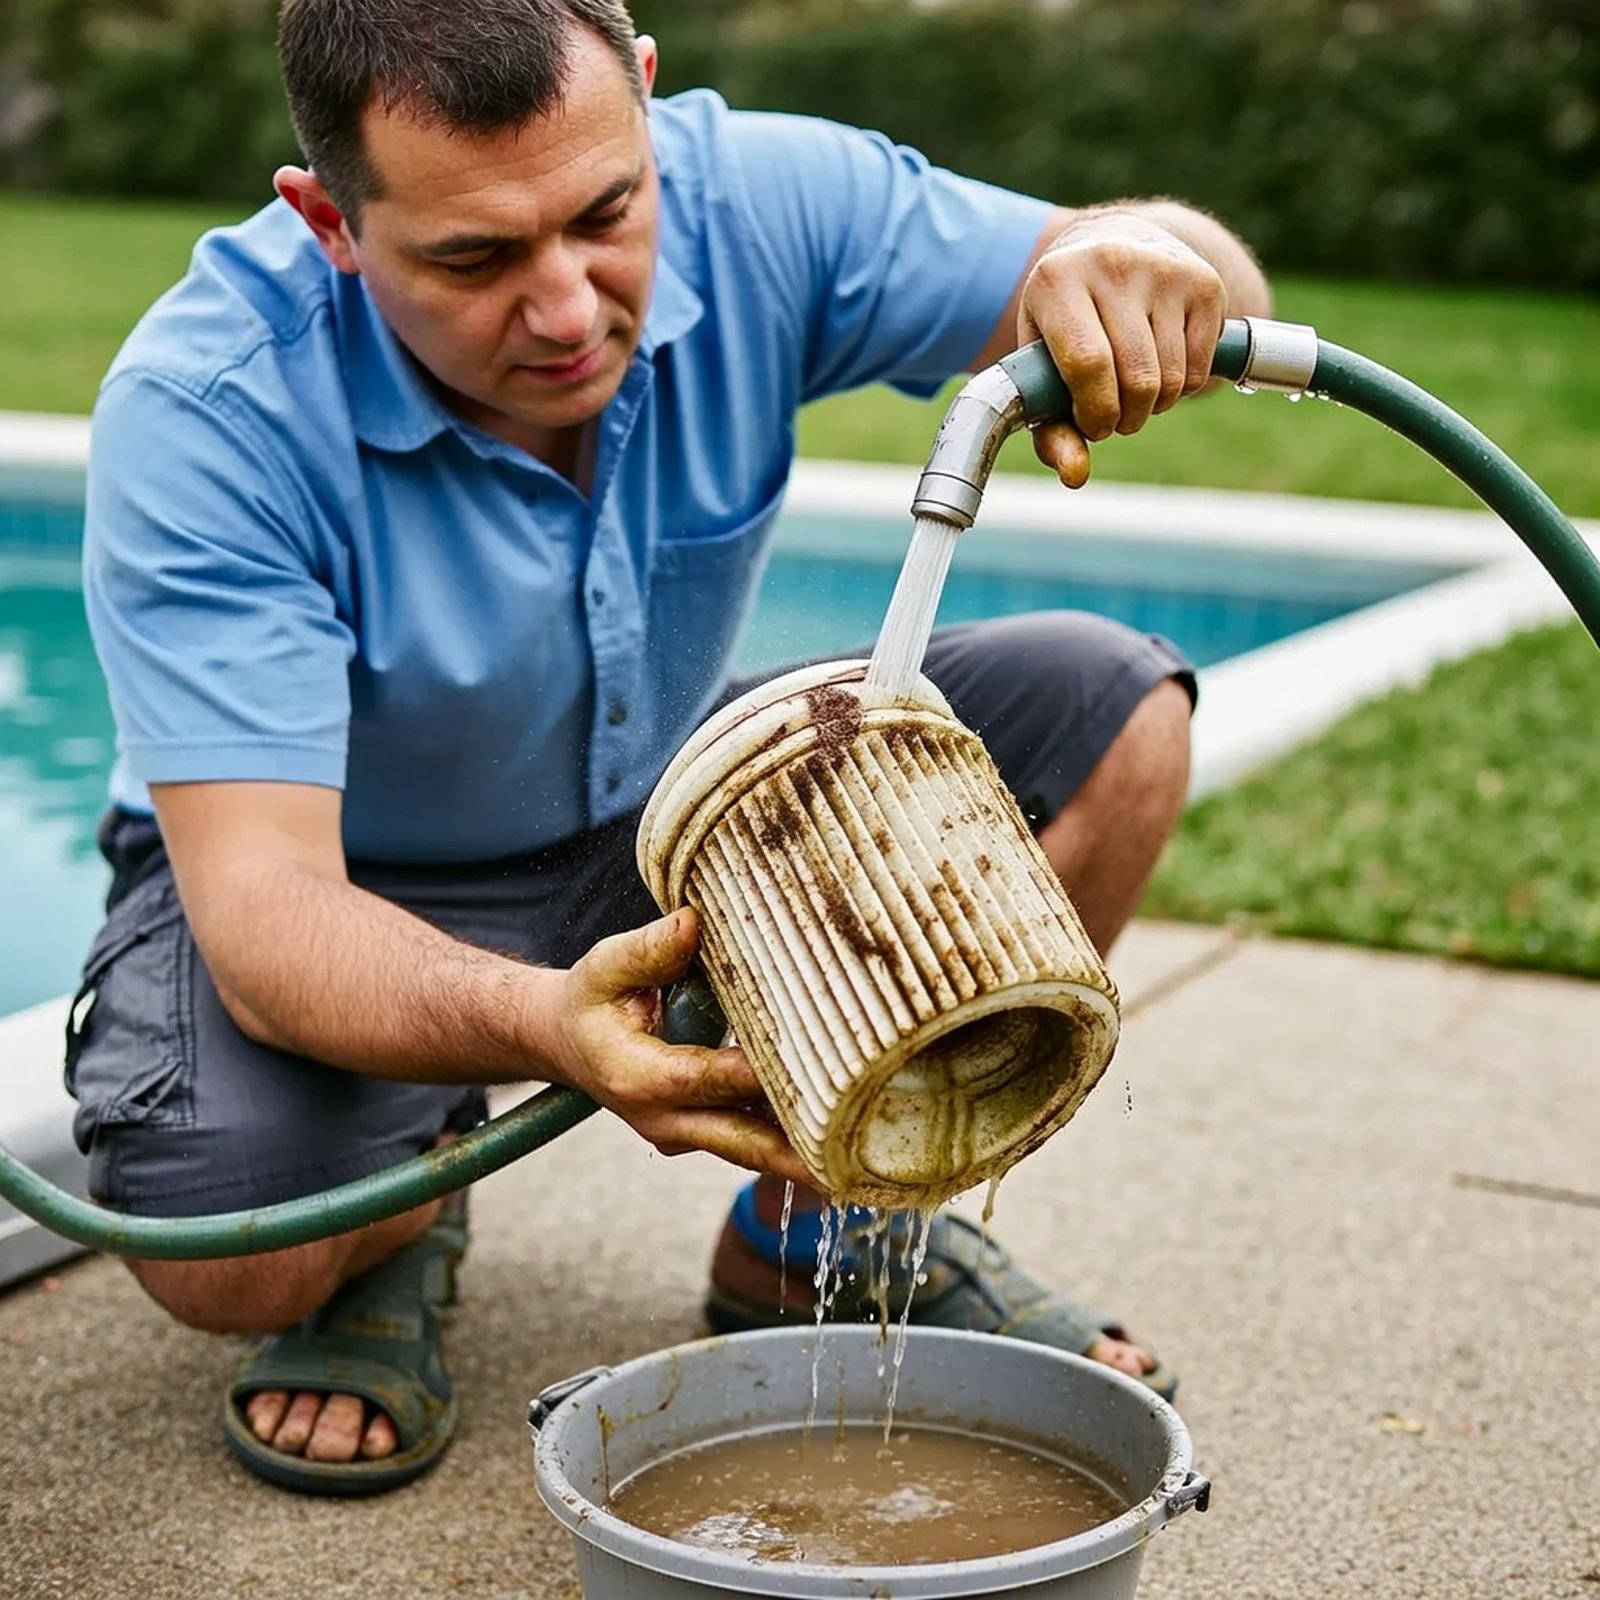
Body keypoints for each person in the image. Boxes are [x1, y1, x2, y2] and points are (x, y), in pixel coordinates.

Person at [69, 0, 1271, 1493]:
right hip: (342, 876)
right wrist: (534, 1020)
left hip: (659, 810)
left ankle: (825, 1226)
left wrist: (1139, 261)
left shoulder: (761, 198)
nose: (567, 309)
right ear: (331, 223)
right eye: (474, 259)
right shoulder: (209, 407)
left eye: (604, 215)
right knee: (231, 1251)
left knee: (1112, 716)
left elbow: (1200, 289)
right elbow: (265, 915)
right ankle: (393, 1213)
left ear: (643, 100)